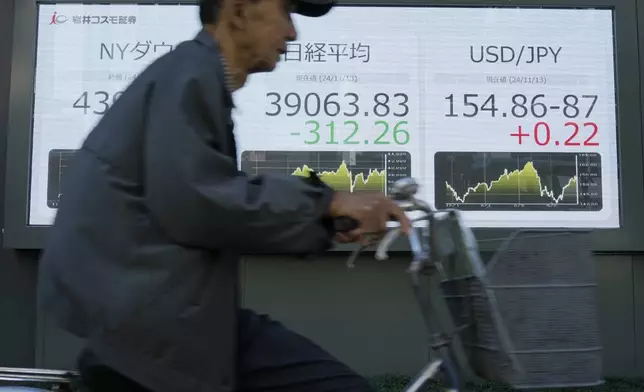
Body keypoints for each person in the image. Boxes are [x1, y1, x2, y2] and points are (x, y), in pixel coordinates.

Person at [38, 0, 411, 391]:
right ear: (239, 12)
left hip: (160, 322)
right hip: (159, 333)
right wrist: (326, 203)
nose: (292, 34)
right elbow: (198, 201)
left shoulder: (190, 75)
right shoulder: (190, 76)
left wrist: (324, 220)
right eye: (286, 13)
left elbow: (200, 200)